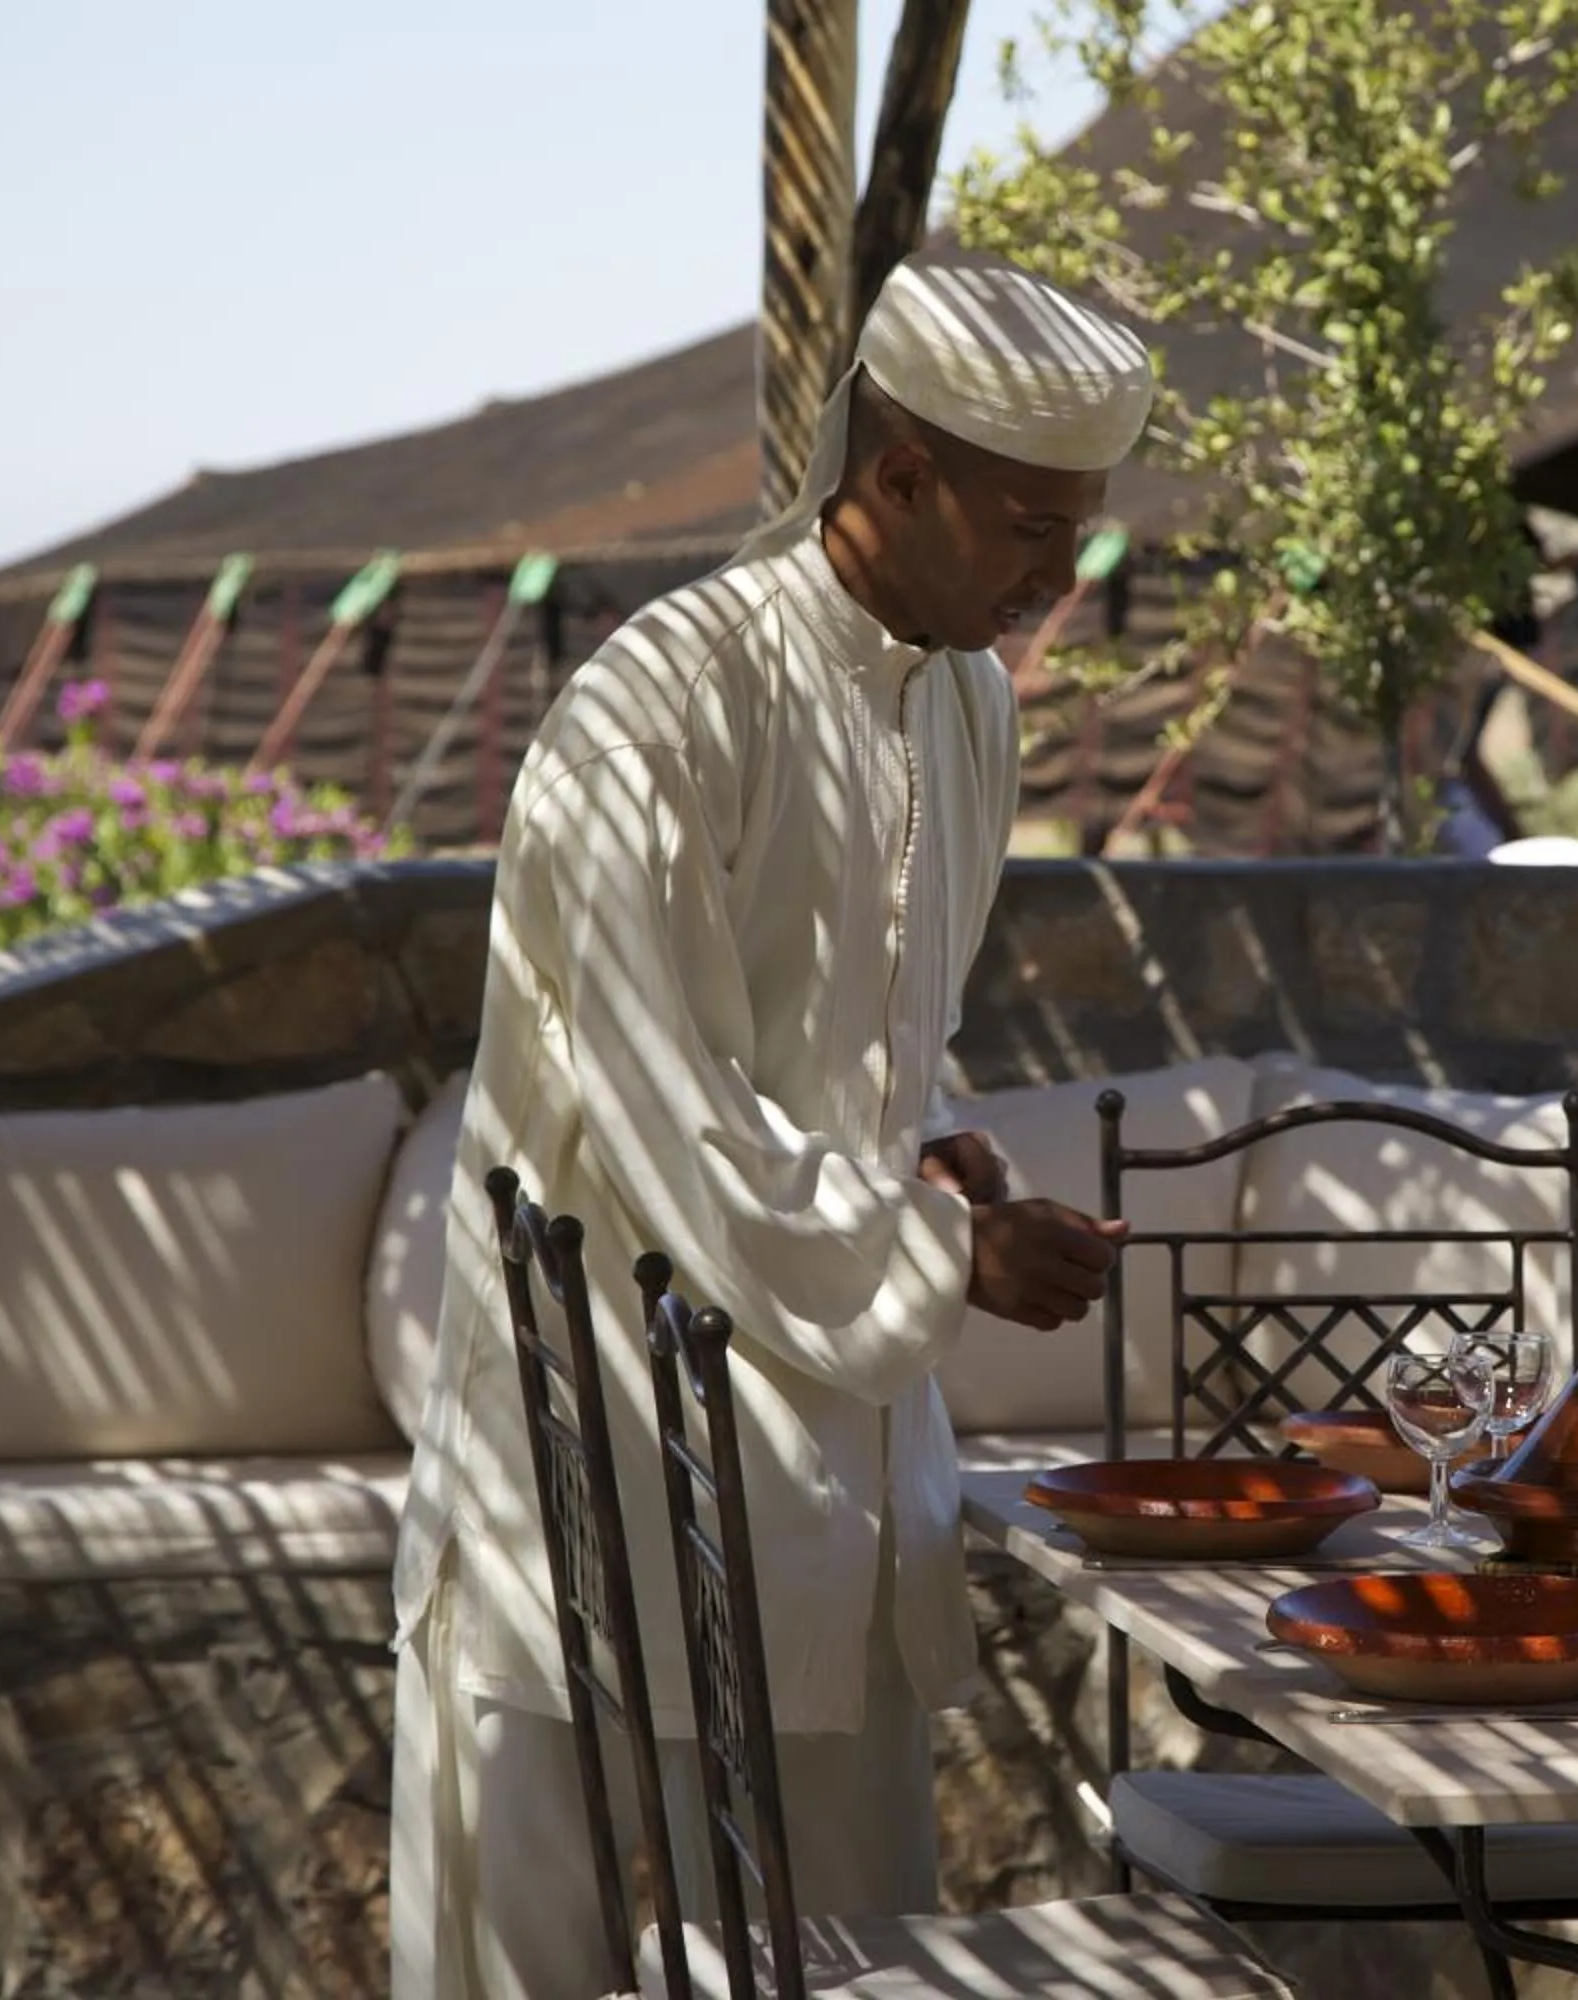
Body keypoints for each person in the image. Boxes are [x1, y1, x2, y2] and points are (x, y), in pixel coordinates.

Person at [389, 259, 1158, 2000]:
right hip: (596, 1428)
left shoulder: (968, 700)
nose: (1065, 578)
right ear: (896, 478)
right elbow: (671, 1113)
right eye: (1034, 530)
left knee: (848, 1951)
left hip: (833, 1439)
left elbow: (868, 1053)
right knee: (545, 1946)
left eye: (1080, 532)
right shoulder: (657, 708)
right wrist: (953, 1254)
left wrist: (939, 1151)